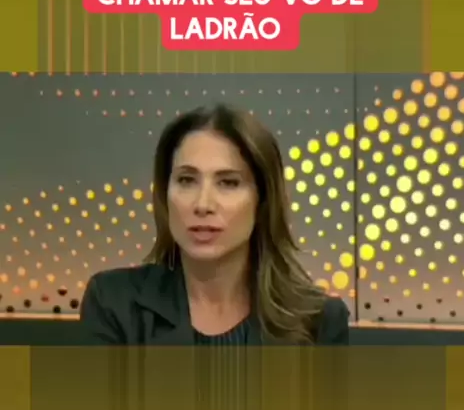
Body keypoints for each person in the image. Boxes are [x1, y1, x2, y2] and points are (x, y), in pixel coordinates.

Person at [80, 104, 350, 346]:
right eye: (186, 180)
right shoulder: (113, 304)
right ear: (165, 194)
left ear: (262, 200)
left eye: (228, 183)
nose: (203, 204)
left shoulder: (319, 322)